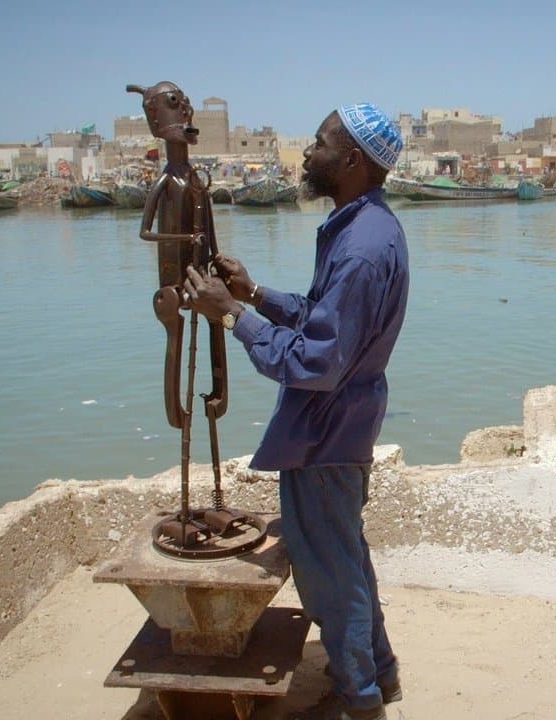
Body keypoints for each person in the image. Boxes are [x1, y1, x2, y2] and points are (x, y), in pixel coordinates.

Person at [183, 103, 408, 720]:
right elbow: (323, 319)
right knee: (347, 562)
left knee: (331, 579)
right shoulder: (361, 228)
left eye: (319, 143)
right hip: (340, 426)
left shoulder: (362, 248)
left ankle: (359, 701)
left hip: (328, 433)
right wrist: (253, 294)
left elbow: (318, 362)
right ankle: (378, 675)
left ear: (353, 160)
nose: (308, 154)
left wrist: (231, 317)